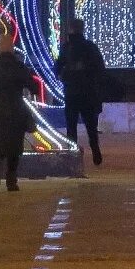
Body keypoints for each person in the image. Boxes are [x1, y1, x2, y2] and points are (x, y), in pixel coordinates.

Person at [0, 33, 36, 191]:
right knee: (14, 145)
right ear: (11, 48)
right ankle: (11, 180)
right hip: (16, 109)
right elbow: (33, 86)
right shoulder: (18, 66)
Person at [54, 18, 106, 166]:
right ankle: (95, 152)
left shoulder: (66, 48)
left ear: (70, 29)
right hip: (88, 92)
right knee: (91, 126)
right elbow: (99, 68)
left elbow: (57, 67)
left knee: (71, 126)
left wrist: (64, 75)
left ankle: (73, 154)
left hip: (71, 92)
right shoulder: (90, 47)